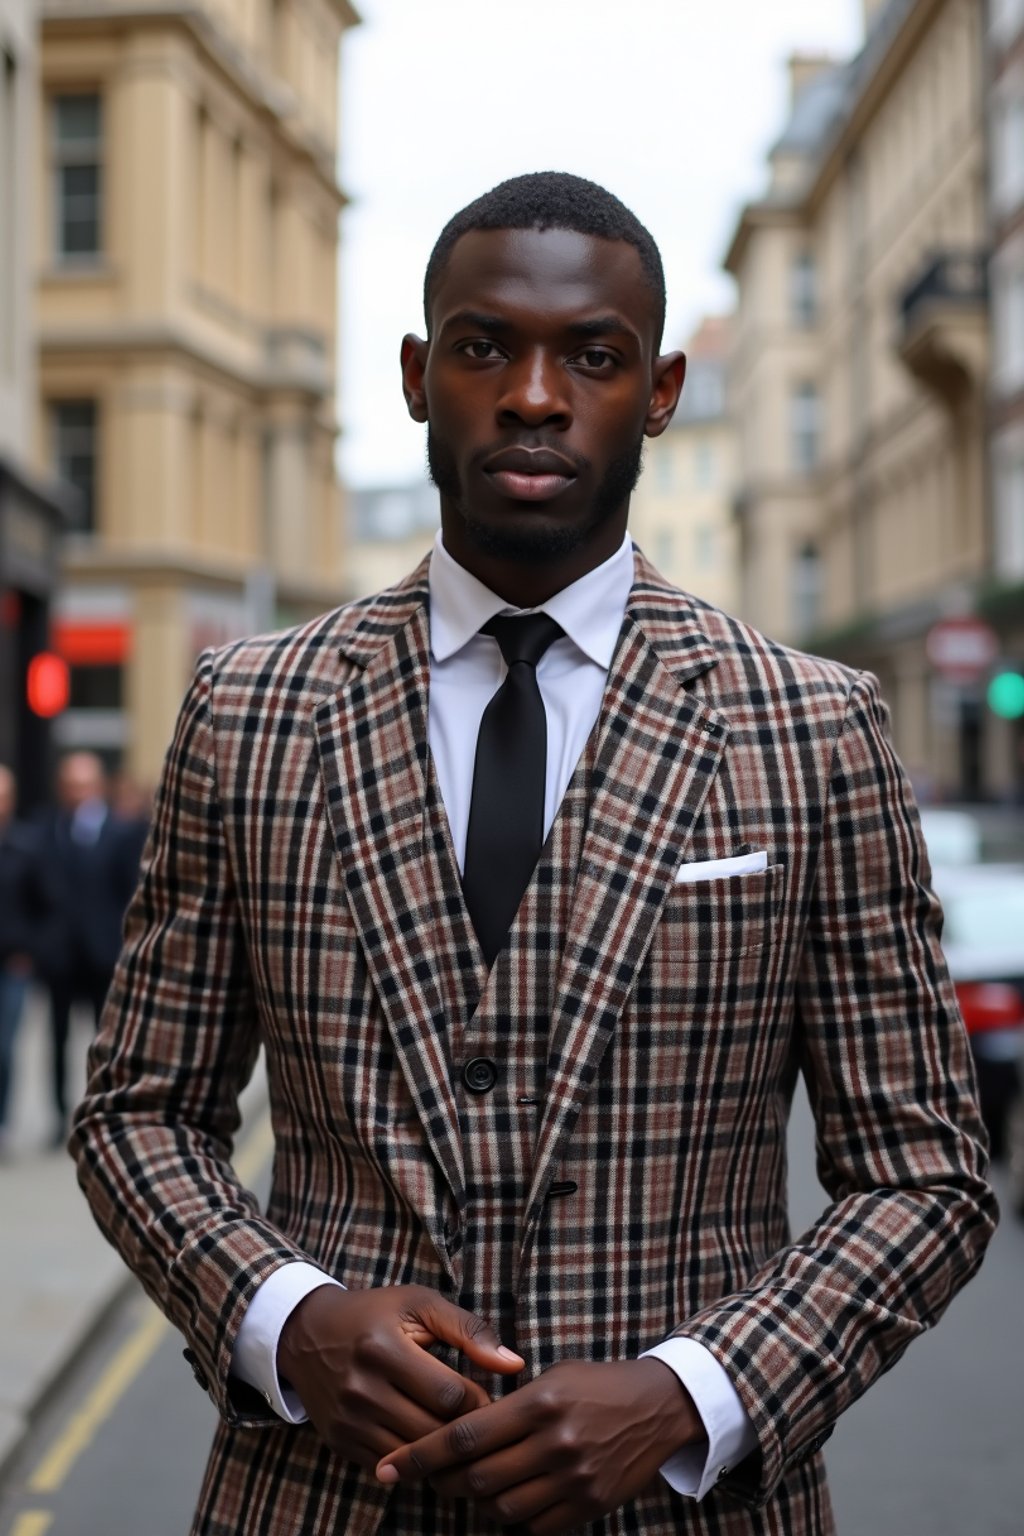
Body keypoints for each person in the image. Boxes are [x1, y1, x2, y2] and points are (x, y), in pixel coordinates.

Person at [70, 173, 997, 1536]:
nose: (535, 396)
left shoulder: (813, 726)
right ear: (415, 373)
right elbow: (136, 1113)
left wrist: (692, 1394)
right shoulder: (251, 712)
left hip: (685, 1512)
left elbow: (926, 1173)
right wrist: (289, 1317)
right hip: (320, 1502)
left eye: (596, 357)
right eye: (485, 346)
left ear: (664, 391)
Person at [37, 751, 143, 1144]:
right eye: (69, 785)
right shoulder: (47, 830)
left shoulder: (122, 832)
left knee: (106, 1041)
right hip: (61, 958)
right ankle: (58, 1116)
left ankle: (102, 1114)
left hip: (103, 955)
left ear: (97, 786)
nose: (76, 792)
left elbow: (132, 893)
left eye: (83, 784)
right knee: (58, 1040)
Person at [0, 765, 53, 1158]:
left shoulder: (26, 846)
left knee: (4, 1046)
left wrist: (28, 950)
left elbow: (46, 905)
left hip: (11, 966)